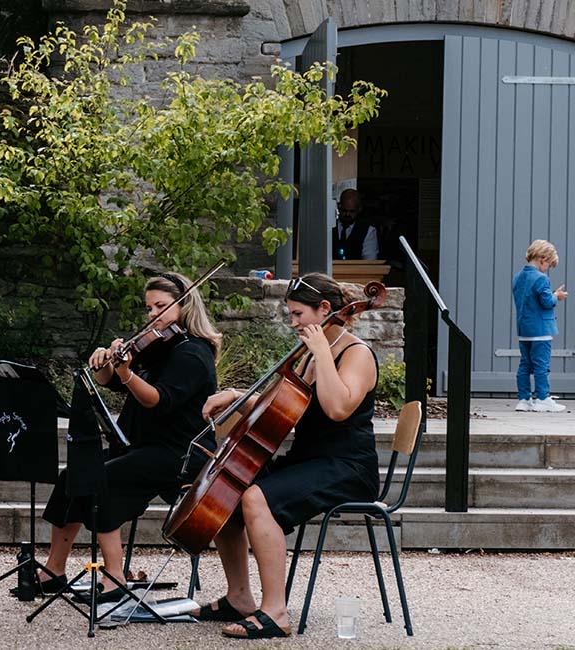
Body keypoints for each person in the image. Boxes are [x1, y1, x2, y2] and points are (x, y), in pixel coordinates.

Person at [191, 272, 379, 639]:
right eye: (290, 315)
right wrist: (233, 395)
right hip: (309, 459)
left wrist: (323, 353)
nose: (292, 323)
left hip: (348, 467)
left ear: (325, 309)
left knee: (256, 496)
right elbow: (277, 403)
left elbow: (338, 407)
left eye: (297, 314)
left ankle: (275, 611)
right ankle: (240, 596)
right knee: (227, 491)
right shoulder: (310, 355)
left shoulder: (356, 354)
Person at [34, 273, 221, 603]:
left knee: (100, 479)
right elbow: (112, 382)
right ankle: (53, 570)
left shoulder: (193, 353)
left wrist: (127, 372)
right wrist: (104, 362)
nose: (153, 315)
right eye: (149, 308)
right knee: (73, 475)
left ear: (185, 305)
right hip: (143, 446)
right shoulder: (159, 347)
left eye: (161, 306)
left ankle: (115, 576)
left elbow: (157, 400)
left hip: (180, 453)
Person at [513, 239, 568, 412]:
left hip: (524, 329)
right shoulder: (541, 279)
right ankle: (543, 398)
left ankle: (524, 399)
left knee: (525, 365)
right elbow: (546, 303)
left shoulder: (518, 277)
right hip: (541, 331)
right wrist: (556, 296)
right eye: (549, 265)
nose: (548, 269)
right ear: (543, 259)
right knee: (541, 366)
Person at [333, 189, 379, 261]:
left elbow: (369, 262)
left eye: (352, 211)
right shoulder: (328, 227)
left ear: (359, 209)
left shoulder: (368, 231)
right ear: (339, 207)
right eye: (344, 210)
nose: (347, 214)